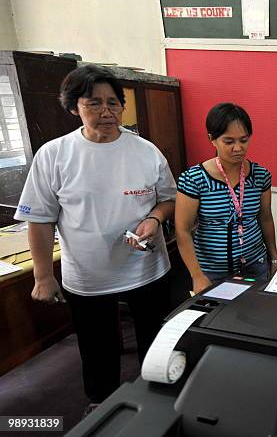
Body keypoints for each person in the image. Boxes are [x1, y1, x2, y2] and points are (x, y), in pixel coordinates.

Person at [14, 65, 177, 413]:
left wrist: (154, 218)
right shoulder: (54, 155)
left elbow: (168, 198)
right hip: (88, 277)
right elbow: (39, 220)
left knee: (156, 342)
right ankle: (101, 406)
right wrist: (43, 276)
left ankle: (156, 404)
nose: (106, 112)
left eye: (113, 103)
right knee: (97, 348)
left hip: (147, 269)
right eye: (94, 103)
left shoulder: (146, 150)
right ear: (74, 107)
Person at [175, 103, 277, 293]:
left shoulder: (260, 176)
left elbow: (265, 218)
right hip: (211, 271)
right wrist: (197, 275)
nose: (238, 148)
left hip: (255, 265)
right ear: (212, 139)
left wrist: (273, 258)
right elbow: (182, 230)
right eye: (229, 142)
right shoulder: (195, 179)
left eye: (244, 140)